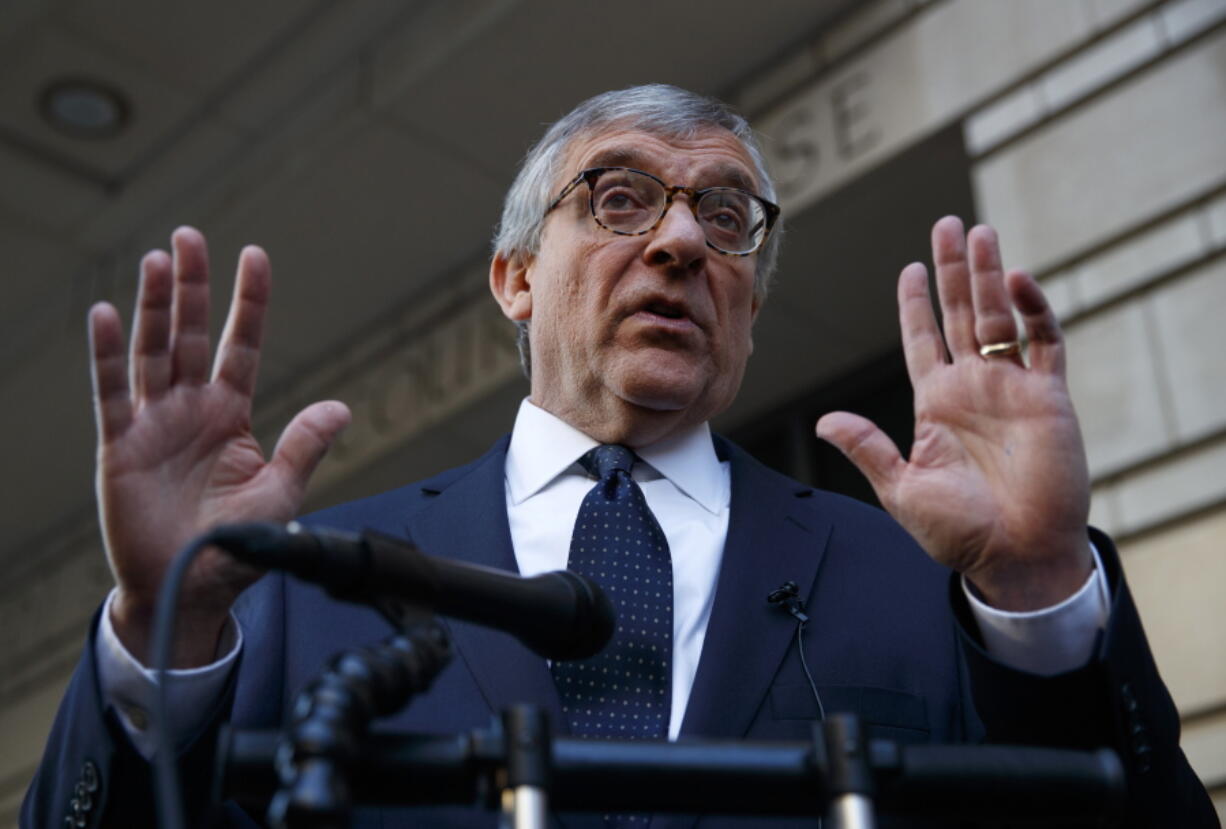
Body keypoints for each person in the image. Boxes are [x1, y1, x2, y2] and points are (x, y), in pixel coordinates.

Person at [23, 85, 1216, 828]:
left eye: (726, 217)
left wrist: (1035, 591)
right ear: (514, 278)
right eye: (618, 197)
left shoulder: (911, 578)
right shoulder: (296, 588)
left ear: (749, 300)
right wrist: (163, 628)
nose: (684, 241)